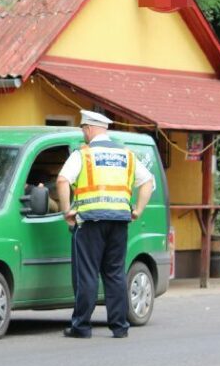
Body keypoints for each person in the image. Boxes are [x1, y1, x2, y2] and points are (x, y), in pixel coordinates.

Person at [56, 110, 154, 339]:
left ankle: (81, 326)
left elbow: (62, 180)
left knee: (88, 274)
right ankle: (119, 326)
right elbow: (148, 181)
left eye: (83, 129)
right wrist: (138, 210)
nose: (83, 134)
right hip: (119, 222)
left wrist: (66, 211)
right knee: (115, 274)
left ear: (89, 128)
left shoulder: (84, 155)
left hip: (90, 221)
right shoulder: (127, 156)